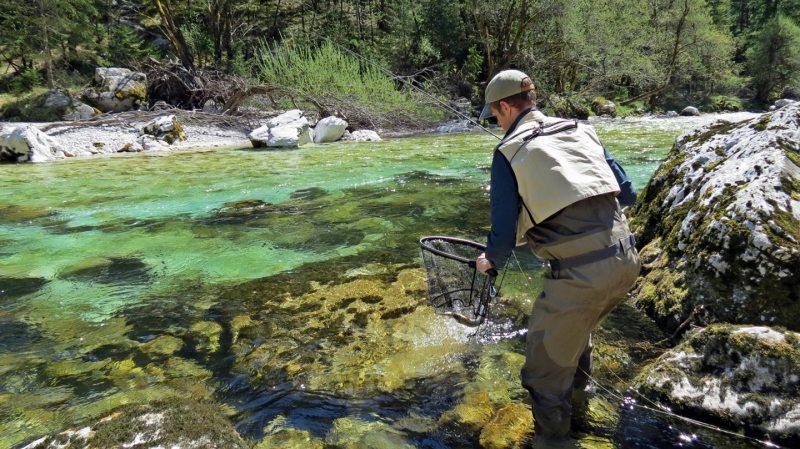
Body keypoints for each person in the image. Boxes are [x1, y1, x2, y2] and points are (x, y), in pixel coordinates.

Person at [474, 69, 641, 444]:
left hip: (581, 275)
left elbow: (502, 230)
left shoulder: (508, 152)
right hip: (627, 260)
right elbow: (626, 192)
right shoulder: (580, 129)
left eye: (496, 117)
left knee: (543, 372)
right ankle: (584, 408)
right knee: (577, 332)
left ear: (505, 106)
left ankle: (555, 440)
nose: (497, 125)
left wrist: (491, 260)